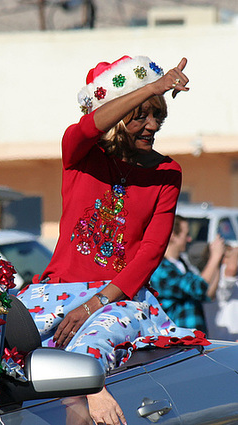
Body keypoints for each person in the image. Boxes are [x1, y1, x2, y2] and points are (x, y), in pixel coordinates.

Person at [17, 55, 202, 425]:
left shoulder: (168, 172)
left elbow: (150, 253)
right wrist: (152, 86)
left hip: (119, 298)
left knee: (85, 360)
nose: (152, 125)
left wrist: (95, 303)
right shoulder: (81, 155)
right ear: (118, 115)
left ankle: (90, 397)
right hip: (56, 291)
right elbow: (85, 128)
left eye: (158, 115)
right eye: (141, 114)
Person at [150, 215, 226, 334]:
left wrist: (217, 261)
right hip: (175, 338)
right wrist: (214, 258)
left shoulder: (181, 264)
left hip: (194, 337)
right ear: (173, 235)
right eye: (186, 234)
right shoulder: (160, 269)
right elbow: (197, 288)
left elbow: (208, 294)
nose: (189, 239)